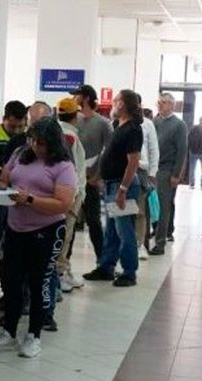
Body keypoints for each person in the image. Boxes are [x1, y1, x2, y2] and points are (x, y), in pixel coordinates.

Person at [0, 118, 77, 358]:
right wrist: (6, 190)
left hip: (46, 231)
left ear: (53, 143)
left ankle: (34, 335)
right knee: (12, 283)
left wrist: (30, 200)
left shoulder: (64, 166)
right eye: (33, 140)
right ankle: (9, 331)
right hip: (16, 228)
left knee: (39, 283)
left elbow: (63, 204)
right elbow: (3, 179)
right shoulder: (20, 154)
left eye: (41, 143)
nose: (35, 146)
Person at [0, 102, 53, 313]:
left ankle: (41, 308)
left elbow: (64, 191)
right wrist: (9, 191)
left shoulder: (58, 150)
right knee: (4, 252)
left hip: (42, 218)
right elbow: (3, 178)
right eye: (32, 123)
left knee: (40, 263)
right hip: (13, 211)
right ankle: (13, 299)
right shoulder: (18, 146)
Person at [84, 89, 143, 287]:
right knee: (111, 230)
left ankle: (129, 272)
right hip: (111, 185)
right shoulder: (118, 126)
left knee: (124, 231)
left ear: (122, 104)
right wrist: (98, 177)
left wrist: (123, 190)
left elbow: (133, 161)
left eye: (116, 100)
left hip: (121, 186)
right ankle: (106, 267)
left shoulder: (133, 129)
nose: (112, 103)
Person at [70, 85, 113, 279]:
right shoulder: (74, 119)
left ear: (86, 98)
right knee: (70, 221)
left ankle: (103, 263)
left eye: (77, 95)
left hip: (91, 180)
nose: (74, 98)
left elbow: (109, 151)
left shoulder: (103, 123)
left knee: (94, 222)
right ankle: (64, 265)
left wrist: (98, 176)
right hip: (72, 180)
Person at [149, 93, 188, 256]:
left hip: (167, 170)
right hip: (153, 168)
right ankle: (152, 234)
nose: (160, 105)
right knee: (151, 204)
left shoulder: (179, 125)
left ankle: (160, 243)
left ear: (172, 105)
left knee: (164, 207)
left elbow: (181, 151)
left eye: (164, 102)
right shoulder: (155, 121)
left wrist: (176, 174)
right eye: (159, 102)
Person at [55, 98, 86, 294]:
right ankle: (59, 274)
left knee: (65, 234)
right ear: (75, 116)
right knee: (64, 235)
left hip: (67, 192)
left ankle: (63, 270)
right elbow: (70, 168)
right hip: (70, 193)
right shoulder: (68, 136)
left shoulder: (61, 132)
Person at [136, 96, 159, 260]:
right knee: (120, 213)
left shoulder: (147, 124)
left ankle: (140, 245)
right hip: (120, 171)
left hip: (140, 171)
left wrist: (152, 173)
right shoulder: (116, 122)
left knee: (140, 211)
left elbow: (153, 149)